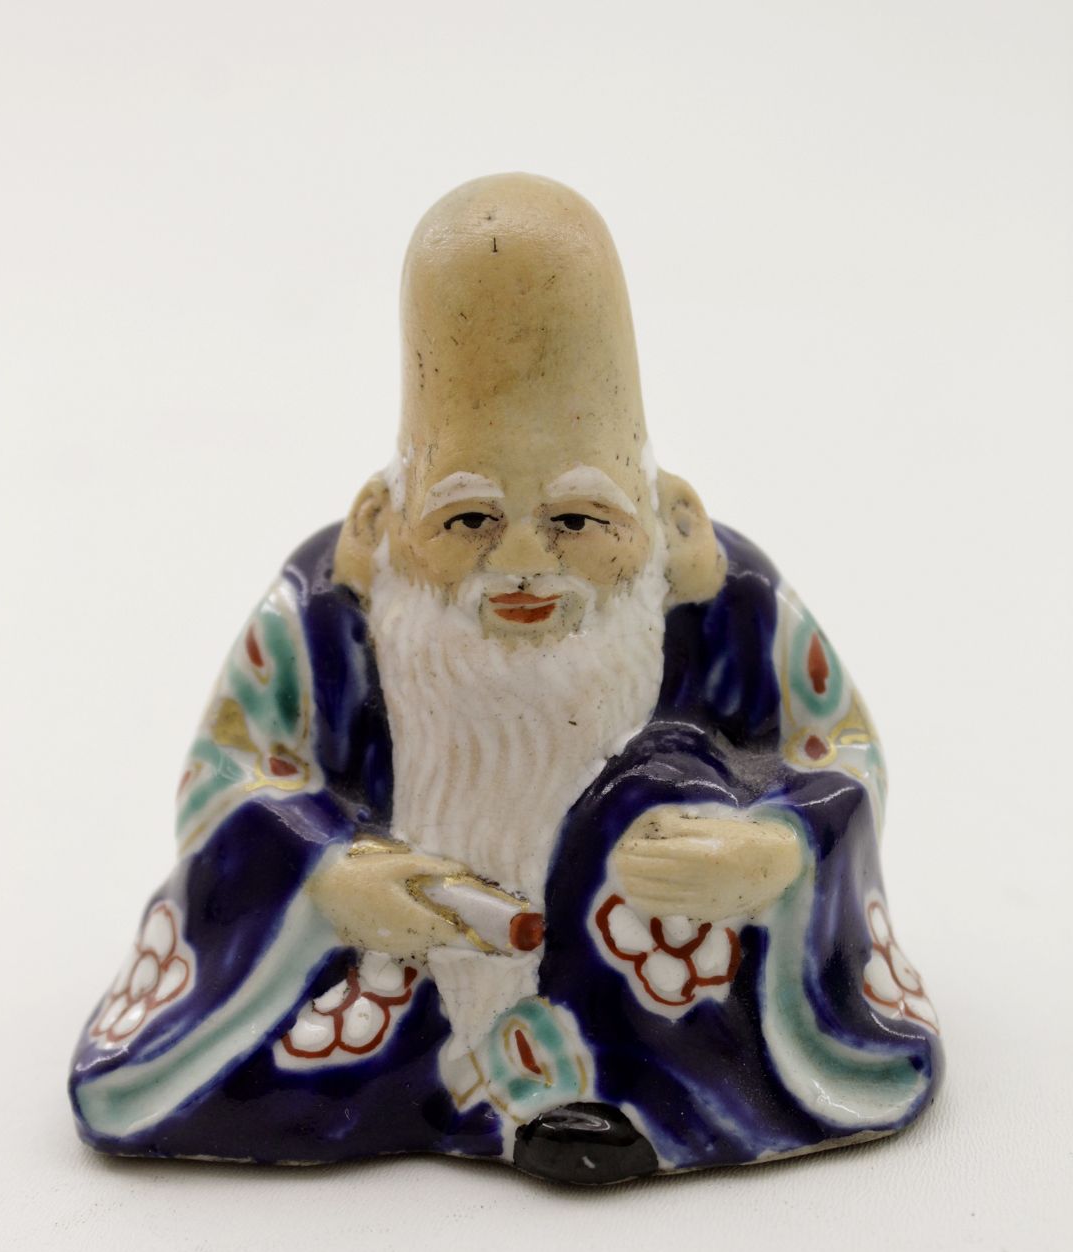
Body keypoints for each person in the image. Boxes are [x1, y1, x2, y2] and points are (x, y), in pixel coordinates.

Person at [70, 174, 942, 1184]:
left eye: (576, 520)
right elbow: (222, 780)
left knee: (667, 787)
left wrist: (777, 854)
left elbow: (844, 753)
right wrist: (325, 878)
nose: (524, 562)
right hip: (388, 1008)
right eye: (470, 519)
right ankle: (445, 1085)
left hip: (662, 1020)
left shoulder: (722, 593)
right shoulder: (330, 601)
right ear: (385, 514)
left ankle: (624, 1092)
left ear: (664, 513)